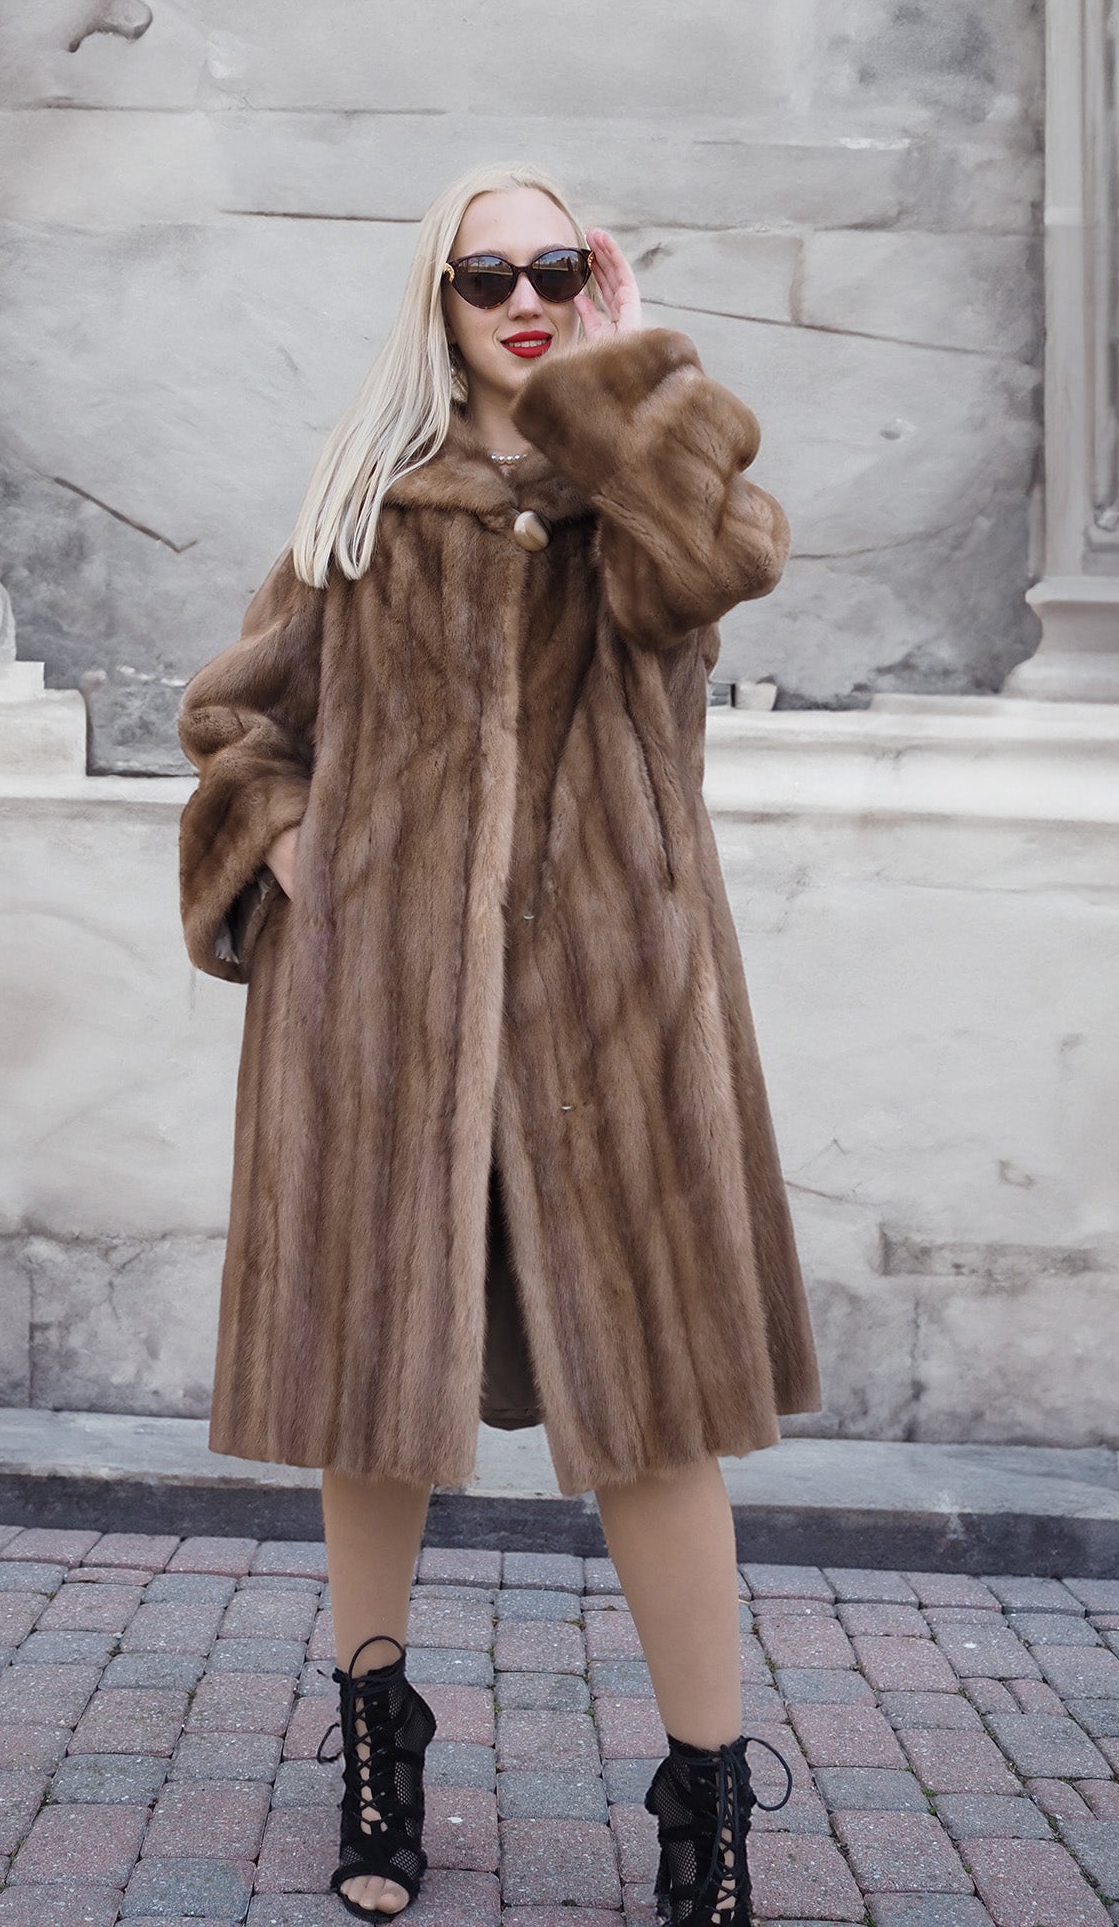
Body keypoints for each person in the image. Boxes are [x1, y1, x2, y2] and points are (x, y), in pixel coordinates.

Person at [176, 160, 823, 1925]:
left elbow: (717, 568)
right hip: (382, 1023)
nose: (523, 294)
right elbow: (241, 712)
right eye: (488, 274)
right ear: (437, 298)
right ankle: (379, 1750)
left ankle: (708, 1802)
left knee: (654, 1416)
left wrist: (623, 379)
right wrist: (297, 849)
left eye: (558, 263)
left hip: (611, 1023)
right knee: (372, 1405)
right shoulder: (369, 499)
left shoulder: (644, 478)